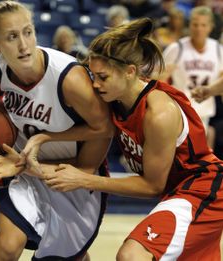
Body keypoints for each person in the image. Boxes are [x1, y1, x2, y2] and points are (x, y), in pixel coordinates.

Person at [22, 18, 223, 260]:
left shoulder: (159, 113)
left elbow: (152, 186)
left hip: (203, 191)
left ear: (130, 71)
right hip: (178, 194)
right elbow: (99, 130)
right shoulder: (115, 100)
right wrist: (40, 142)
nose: (95, 85)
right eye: (93, 76)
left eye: (103, 77)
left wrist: (86, 180)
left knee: (131, 255)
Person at [0, 1, 113, 261]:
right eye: (12, 37)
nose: (24, 45)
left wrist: (45, 138)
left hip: (71, 177)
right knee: (7, 245)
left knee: (68, 255)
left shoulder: (69, 78)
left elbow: (105, 128)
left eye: (28, 32)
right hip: (24, 171)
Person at [160, 6, 223, 149]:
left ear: (210, 27)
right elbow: (159, 79)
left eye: (203, 25)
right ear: (189, 25)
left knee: (199, 154)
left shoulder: (218, 50)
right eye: (195, 24)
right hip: (180, 110)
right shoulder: (176, 48)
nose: (199, 29)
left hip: (203, 112)